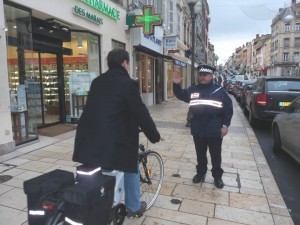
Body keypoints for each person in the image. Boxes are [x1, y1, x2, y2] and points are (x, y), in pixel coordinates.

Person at [72, 49, 161, 218]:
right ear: (125, 63)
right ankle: (134, 207)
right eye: (128, 63)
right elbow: (140, 112)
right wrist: (154, 135)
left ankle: (104, 199)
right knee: (131, 166)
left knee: (105, 165)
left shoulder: (97, 81)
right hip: (114, 139)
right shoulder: (128, 83)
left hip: (90, 137)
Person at [173, 64, 233, 189]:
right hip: (198, 127)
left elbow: (228, 109)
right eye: (200, 74)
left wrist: (225, 125)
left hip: (214, 127)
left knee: (215, 154)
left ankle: (217, 176)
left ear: (211, 76)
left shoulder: (219, 91)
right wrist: (176, 84)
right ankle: (201, 173)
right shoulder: (193, 89)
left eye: (205, 75)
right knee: (200, 153)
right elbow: (181, 95)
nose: (202, 77)